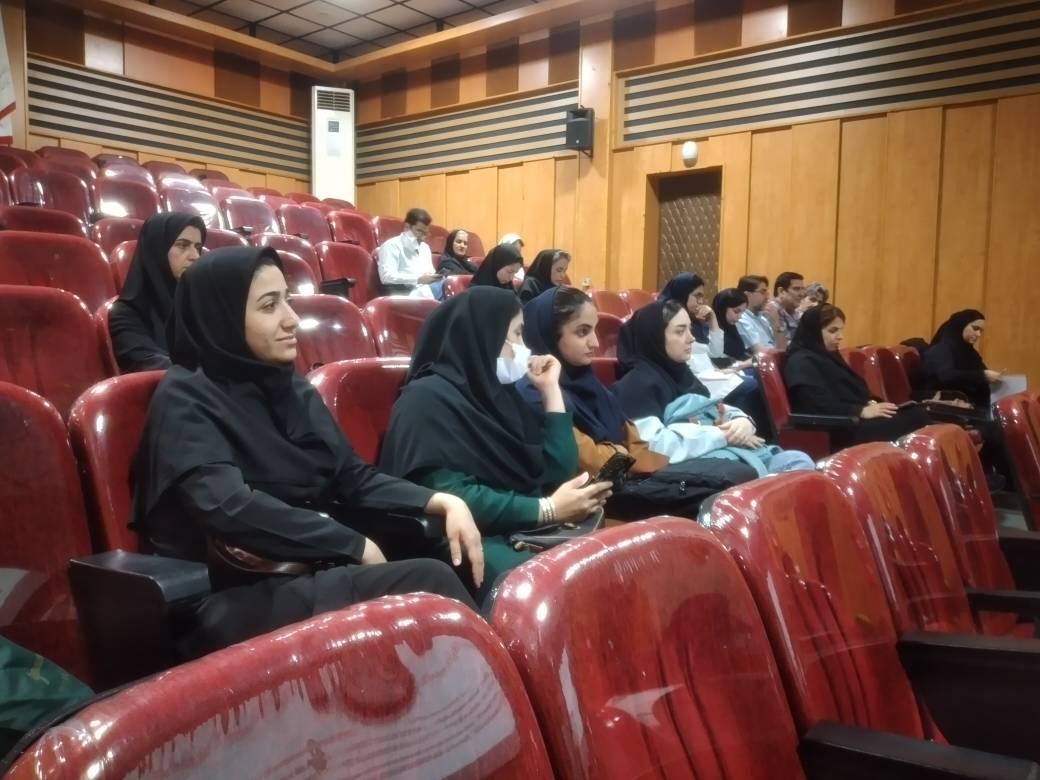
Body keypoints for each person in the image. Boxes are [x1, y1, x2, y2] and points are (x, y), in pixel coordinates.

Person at [130, 247, 482, 659]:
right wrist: (351, 544)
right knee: (428, 581)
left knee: (442, 561)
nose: (291, 319)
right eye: (269, 306)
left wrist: (441, 500)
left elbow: (351, 478)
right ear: (220, 316)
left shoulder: (288, 386)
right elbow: (227, 507)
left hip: (304, 566)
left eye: (287, 300)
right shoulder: (185, 396)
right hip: (228, 594)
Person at [379, 287, 611, 602]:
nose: (524, 348)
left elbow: (558, 469)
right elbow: (452, 494)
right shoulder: (425, 400)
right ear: (484, 337)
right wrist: (547, 509)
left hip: (523, 529)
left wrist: (550, 392)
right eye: (516, 335)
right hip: (466, 538)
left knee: (604, 570)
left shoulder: (500, 396)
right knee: (563, 590)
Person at [518, 286, 757, 517]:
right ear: (550, 335)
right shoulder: (539, 391)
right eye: (582, 332)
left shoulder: (587, 381)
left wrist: (623, 454)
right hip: (597, 495)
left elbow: (633, 440)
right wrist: (622, 453)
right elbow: (591, 461)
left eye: (594, 330)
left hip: (631, 476)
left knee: (736, 474)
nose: (595, 343)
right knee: (721, 489)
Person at [613, 300, 814, 475]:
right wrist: (722, 435)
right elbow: (653, 445)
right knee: (794, 466)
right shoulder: (636, 386)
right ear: (654, 337)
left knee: (796, 460)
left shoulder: (682, 374)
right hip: (698, 472)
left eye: (690, 329)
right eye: (680, 331)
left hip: (723, 459)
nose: (691, 338)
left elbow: (716, 409)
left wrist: (742, 422)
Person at [784, 304, 930, 446]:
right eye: (833, 331)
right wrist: (860, 411)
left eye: (841, 330)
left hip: (852, 421)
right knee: (917, 417)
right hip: (837, 428)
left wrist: (869, 402)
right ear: (814, 331)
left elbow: (850, 391)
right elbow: (815, 404)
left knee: (916, 412)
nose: (840, 337)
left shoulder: (827, 356)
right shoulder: (801, 361)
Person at [108, 212, 206, 373]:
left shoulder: (199, 306)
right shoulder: (126, 313)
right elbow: (152, 365)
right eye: (182, 245)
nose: (195, 256)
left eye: (198, 247)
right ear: (157, 249)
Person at [921, 309, 1002, 408]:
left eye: (981, 330)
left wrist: (991, 377)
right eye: (975, 328)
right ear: (961, 325)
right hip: (943, 406)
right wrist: (982, 375)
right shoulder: (941, 349)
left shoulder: (970, 352)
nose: (978, 334)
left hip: (968, 406)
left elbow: (981, 372)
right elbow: (947, 376)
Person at [376, 207, 442, 298]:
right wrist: (418, 279)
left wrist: (432, 277)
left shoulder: (425, 247)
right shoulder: (391, 245)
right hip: (403, 293)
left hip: (424, 290)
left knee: (447, 284)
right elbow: (386, 277)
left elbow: (430, 271)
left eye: (425, 233)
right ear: (407, 227)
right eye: (419, 231)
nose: (423, 238)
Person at [735, 274, 779, 349]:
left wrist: (776, 322)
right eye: (763, 292)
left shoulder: (763, 318)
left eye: (767, 293)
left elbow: (778, 345)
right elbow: (760, 351)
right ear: (747, 295)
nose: (767, 297)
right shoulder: (741, 319)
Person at [712, 288, 754, 365]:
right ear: (723, 308)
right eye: (736, 311)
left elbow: (740, 353)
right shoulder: (711, 329)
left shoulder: (731, 327)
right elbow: (719, 360)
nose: (740, 317)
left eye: (742, 312)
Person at [765, 271, 805, 346]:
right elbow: (781, 345)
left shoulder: (795, 312)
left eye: (802, 289)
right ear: (781, 291)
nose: (802, 294)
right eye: (796, 289)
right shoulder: (769, 310)